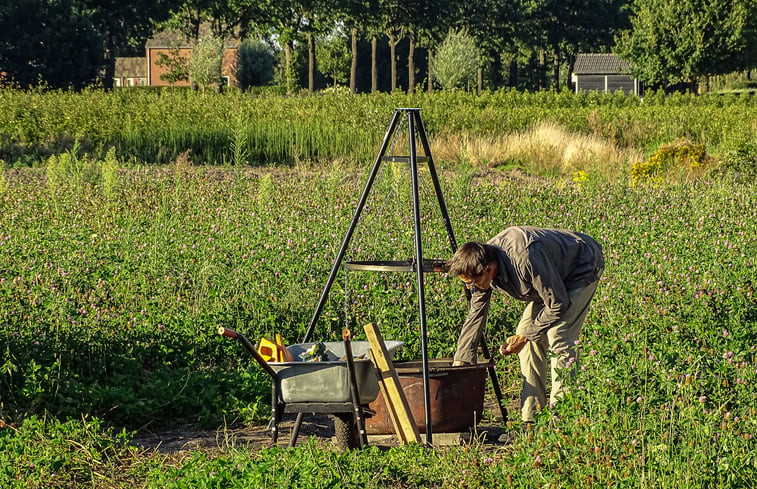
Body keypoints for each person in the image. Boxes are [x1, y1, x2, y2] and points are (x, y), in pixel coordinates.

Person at [445, 226, 604, 424]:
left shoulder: (524, 258)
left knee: (558, 335)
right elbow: (475, 314)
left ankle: (562, 420)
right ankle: (532, 418)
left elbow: (557, 303)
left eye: (472, 283)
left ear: (489, 270)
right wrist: (462, 359)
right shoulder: (479, 268)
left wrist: (527, 336)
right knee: (525, 336)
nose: (470, 287)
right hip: (548, 280)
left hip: (580, 267)